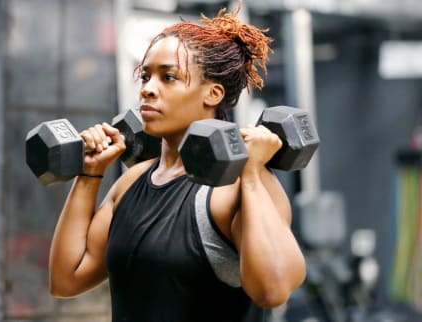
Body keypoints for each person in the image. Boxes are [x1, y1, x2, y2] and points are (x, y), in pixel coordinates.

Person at [48, 1, 306, 321]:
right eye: (145, 77)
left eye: (168, 78)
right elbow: (66, 279)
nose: (148, 91)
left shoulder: (237, 185)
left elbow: (273, 290)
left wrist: (252, 172)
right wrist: (90, 173)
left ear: (212, 94)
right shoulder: (132, 181)